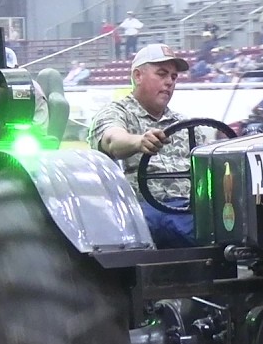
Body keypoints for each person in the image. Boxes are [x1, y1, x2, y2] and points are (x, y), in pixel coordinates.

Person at [88, 44, 206, 248]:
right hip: (144, 206)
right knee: (202, 228)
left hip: (189, 205)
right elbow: (112, 140)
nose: (169, 82)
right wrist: (139, 141)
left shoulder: (186, 125)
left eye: (174, 77)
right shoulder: (116, 113)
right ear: (138, 76)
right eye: (162, 74)